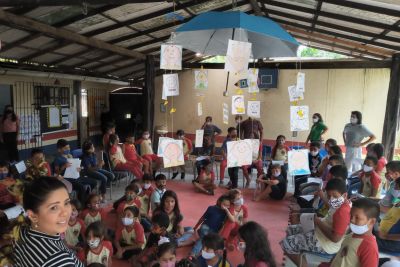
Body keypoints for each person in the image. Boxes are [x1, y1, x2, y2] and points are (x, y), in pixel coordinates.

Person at [13, 177, 85, 266]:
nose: (65, 213)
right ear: (32, 216)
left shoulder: (20, 232)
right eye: (54, 208)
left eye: (66, 203)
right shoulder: (58, 261)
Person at [281, 179, 351, 267]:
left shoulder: (343, 212)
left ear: (344, 195)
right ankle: (300, 251)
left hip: (325, 245)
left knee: (286, 243)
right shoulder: (341, 203)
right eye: (329, 196)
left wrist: (317, 221)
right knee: (290, 230)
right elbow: (332, 210)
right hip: (320, 234)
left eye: (335, 196)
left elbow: (335, 238)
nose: (331, 199)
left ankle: (302, 261)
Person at [319, 198, 379, 267]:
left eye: (357, 218)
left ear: (371, 222)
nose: (352, 220)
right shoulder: (351, 235)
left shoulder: (369, 247)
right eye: (351, 216)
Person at [53, 139, 97, 204]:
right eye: (65, 148)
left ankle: (87, 198)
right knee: (81, 187)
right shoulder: (57, 159)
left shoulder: (70, 156)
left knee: (94, 182)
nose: (68, 149)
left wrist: (80, 168)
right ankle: (82, 204)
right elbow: (56, 173)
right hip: (67, 179)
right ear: (59, 150)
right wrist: (63, 167)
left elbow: (77, 166)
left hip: (76, 176)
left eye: (69, 147)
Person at [375, 178, 400, 253]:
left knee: (363, 240)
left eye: (397, 187)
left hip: (392, 242)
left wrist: (385, 236)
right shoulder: (398, 200)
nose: (394, 188)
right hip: (382, 232)